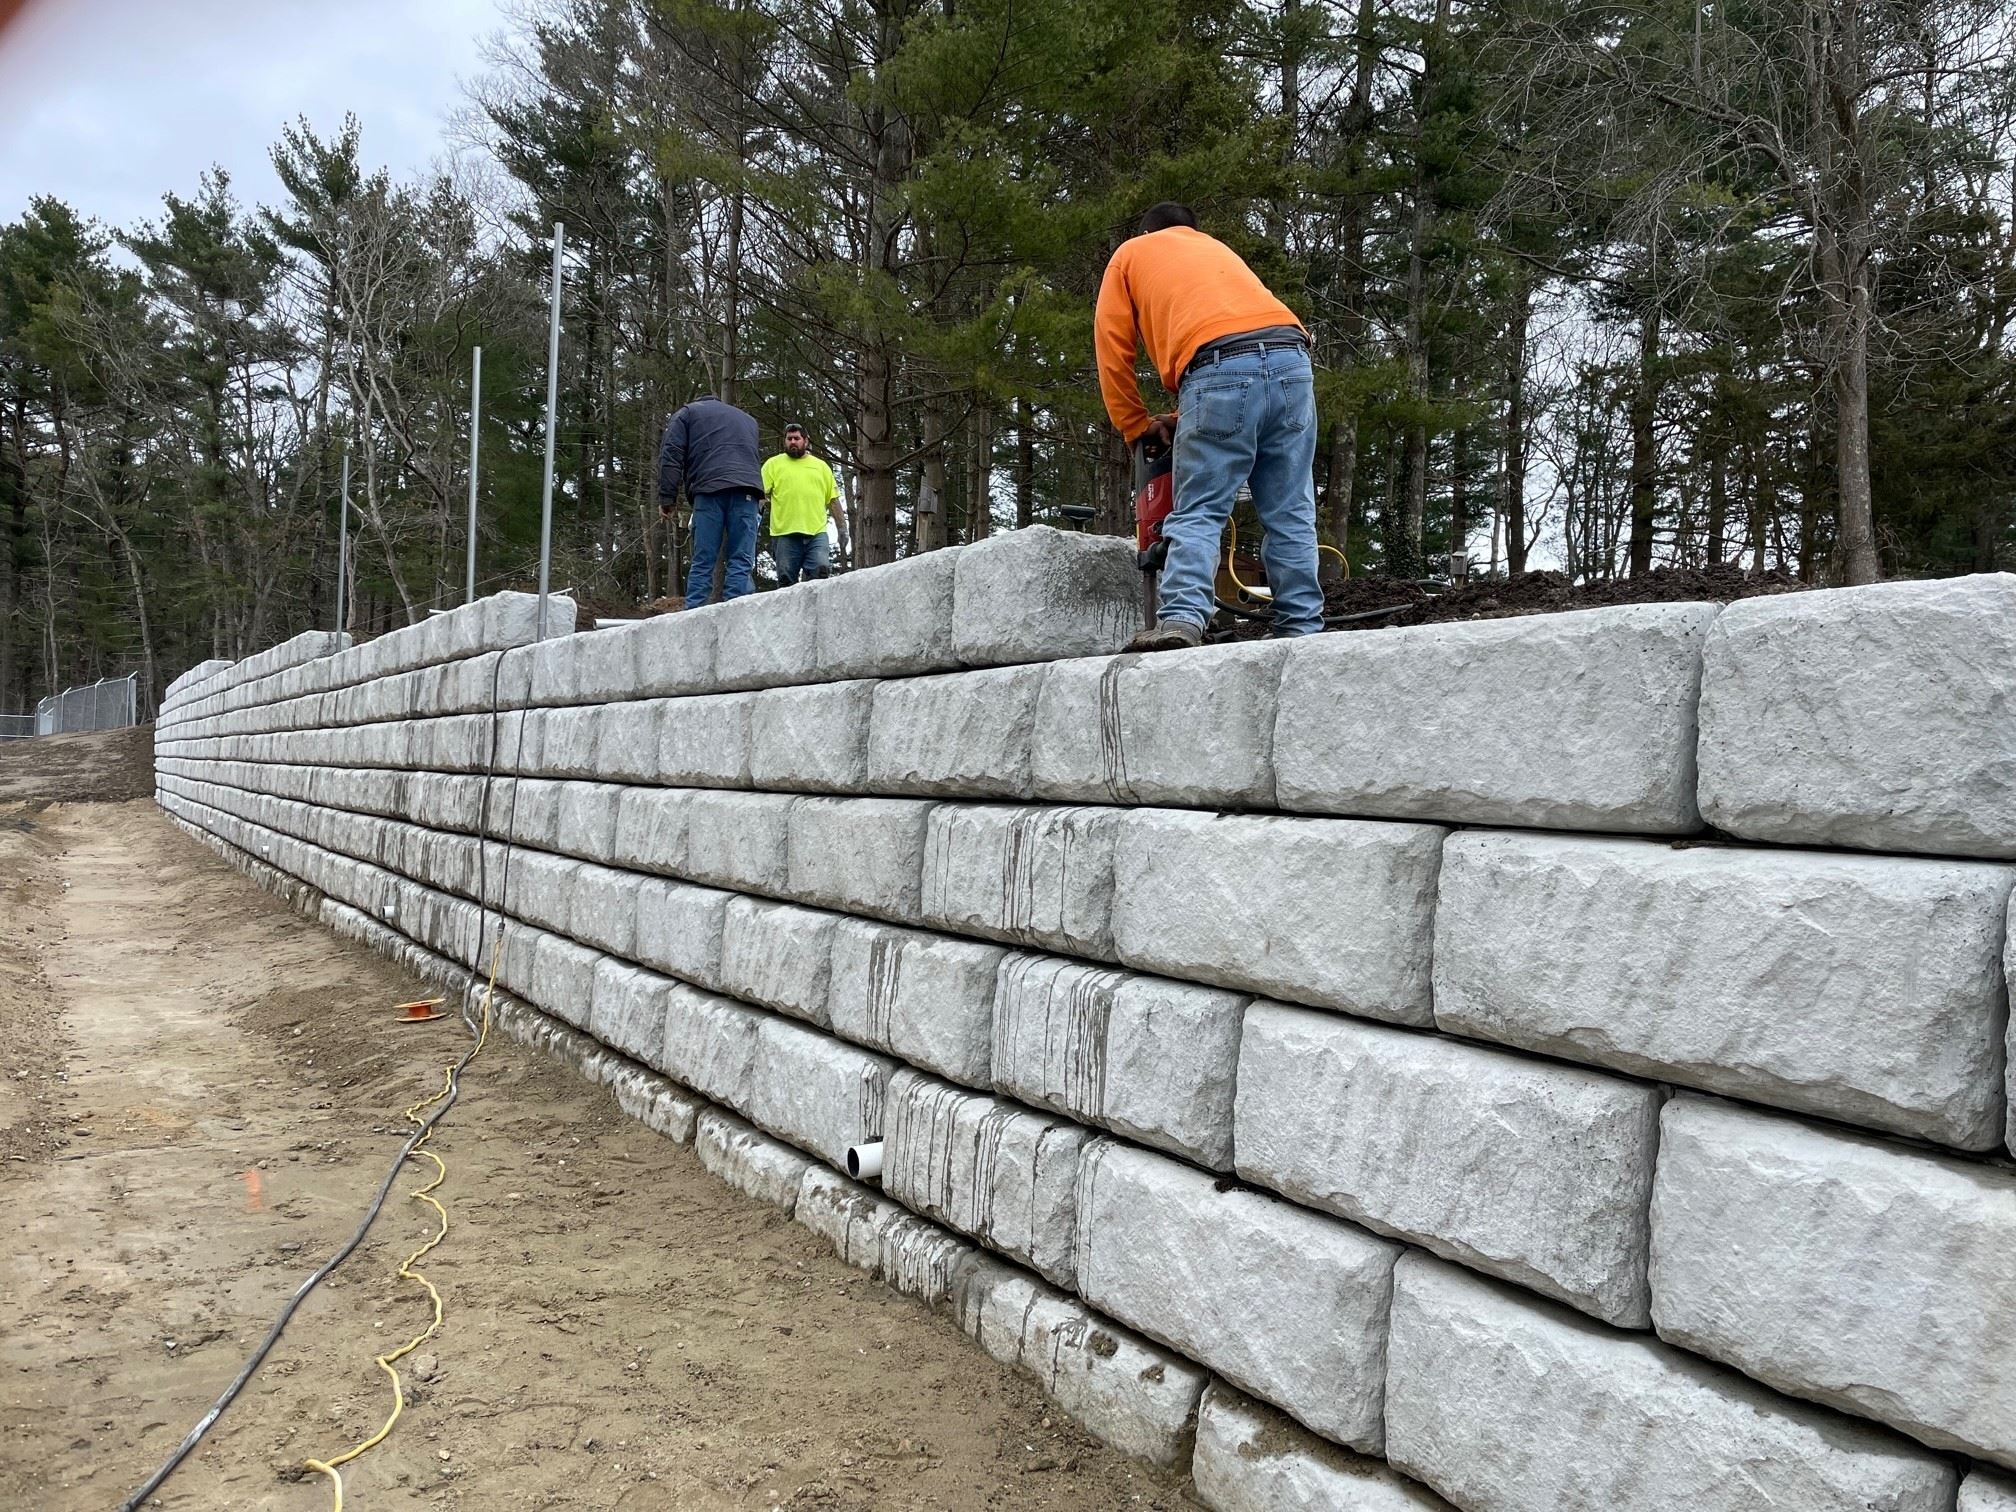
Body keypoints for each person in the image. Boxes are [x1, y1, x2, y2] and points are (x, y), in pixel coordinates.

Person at [1094, 202, 1324, 650]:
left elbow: (1112, 345)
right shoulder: (1216, 249)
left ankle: (1181, 620)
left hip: (1216, 366)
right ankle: (1301, 627)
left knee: (1199, 508)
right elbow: (1251, 363)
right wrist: (1187, 416)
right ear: (1191, 230)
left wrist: (1135, 424)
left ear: (1147, 233)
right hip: (1292, 361)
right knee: (1291, 508)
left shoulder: (1131, 253)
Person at [658, 394, 765, 608]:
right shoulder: (747, 419)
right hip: (747, 491)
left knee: (704, 559)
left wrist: (667, 498)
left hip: (709, 490)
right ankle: (737, 610)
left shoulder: (688, 413)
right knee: (741, 558)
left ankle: (695, 612)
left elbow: (671, 453)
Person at [761, 423, 850, 585]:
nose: (793, 442)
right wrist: (754, 518)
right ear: (784, 441)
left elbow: (833, 500)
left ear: (806, 441)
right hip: (784, 534)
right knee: (786, 582)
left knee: (820, 575)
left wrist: (842, 528)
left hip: (816, 534)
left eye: (797, 438)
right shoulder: (772, 465)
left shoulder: (821, 467)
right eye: (789, 439)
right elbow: (761, 495)